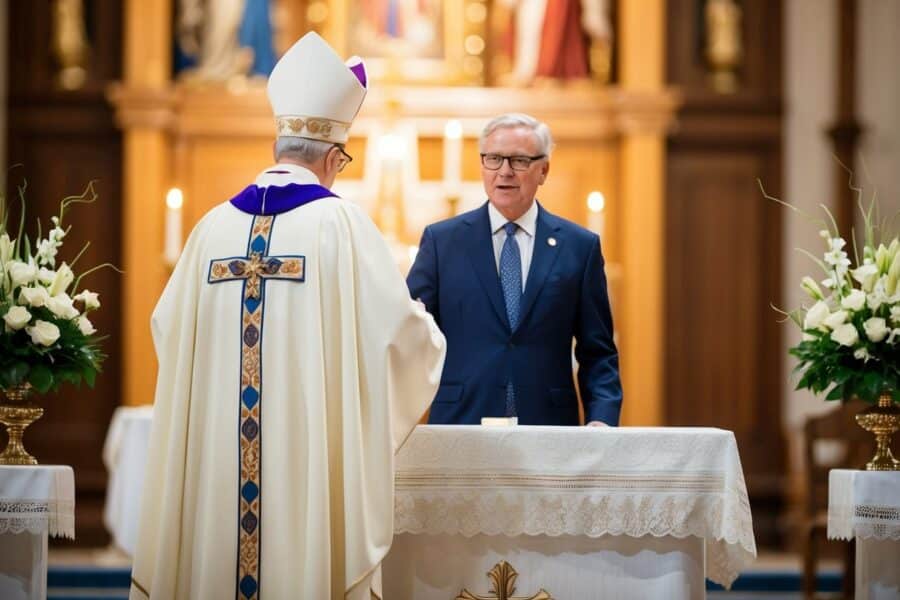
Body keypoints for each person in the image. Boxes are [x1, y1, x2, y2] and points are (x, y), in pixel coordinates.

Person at [129, 32, 446, 600]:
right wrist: (433, 335)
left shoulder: (209, 230)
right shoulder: (340, 226)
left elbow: (167, 330)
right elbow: (401, 339)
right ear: (332, 155)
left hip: (218, 476)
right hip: (304, 469)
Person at [407, 112, 620, 426]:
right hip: (461, 423)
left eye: (519, 161)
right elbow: (410, 333)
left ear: (543, 170)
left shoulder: (579, 247)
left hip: (549, 426)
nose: (504, 172)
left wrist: (601, 419)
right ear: (482, 165)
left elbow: (597, 351)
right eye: (493, 159)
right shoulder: (442, 242)